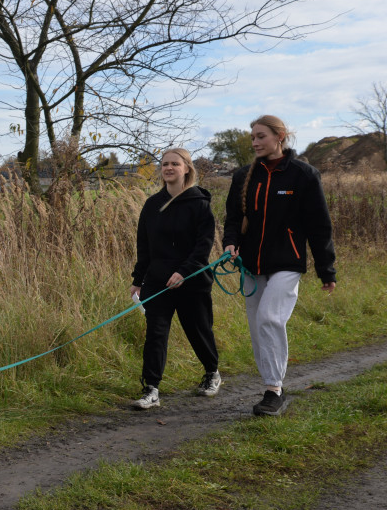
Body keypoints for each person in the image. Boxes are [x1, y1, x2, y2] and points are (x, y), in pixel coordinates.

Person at [223, 115, 336, 416]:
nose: (255, 142)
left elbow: (319, 226)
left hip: (287, 261)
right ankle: (271, 385)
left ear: (280, 136)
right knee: (257, 326)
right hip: (250, 264)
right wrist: (230, 243)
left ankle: (274, 391)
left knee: (270, 318)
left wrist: (326, 269)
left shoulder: (303, 175)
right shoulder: (243, 176)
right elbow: (233, 218)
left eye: (261, 136)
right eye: (253, 137)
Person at [130, 148, 221, 409]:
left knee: (198, 329)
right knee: (156, 333)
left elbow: (203, 246)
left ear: (187, 169)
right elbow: (144, 246)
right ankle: (151, 389)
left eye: (175, 164)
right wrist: (138, 279)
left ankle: (212, 372)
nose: (169, 168)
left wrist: (184, 272)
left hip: (192, 281)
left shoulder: (199, 204)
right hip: (158, 282)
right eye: (165, 164)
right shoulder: (152, 205)